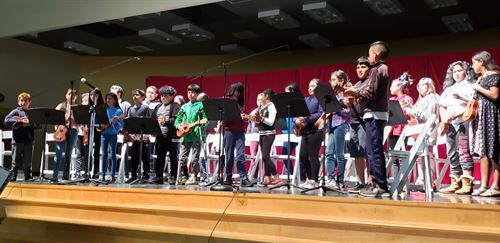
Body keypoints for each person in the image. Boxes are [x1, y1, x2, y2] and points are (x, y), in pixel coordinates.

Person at [344, 41, 391, 197]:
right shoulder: (381, 69)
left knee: (373, 150)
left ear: (375, 55)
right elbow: (370, 91)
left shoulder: (377, 70)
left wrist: (355, 92)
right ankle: (377, 183)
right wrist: (357, 91)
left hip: (375, 114)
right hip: (375, 113)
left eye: (370, 54)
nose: (369, 57)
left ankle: (380, 185)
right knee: (371, 150)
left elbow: (371, 93)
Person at [438, 61, 475, 194]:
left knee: (464, 151)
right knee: (452, 152)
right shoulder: (449, 89)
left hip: (464, 121)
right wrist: (444, 119)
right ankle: (456, 182)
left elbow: (472, 103)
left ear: (466, 71)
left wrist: (457, 114)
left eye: (459, 71)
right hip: (450, 123)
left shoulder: (471, 86)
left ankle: (467, 183)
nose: (457, 74)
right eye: (454, 72)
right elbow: (441, 105)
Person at [470, 51, 500, 197]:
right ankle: (484, 185)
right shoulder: (480, 78)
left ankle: (496, 186)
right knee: (483, 151)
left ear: (481, 62)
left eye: (474, 62)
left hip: (492, 115)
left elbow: (495, 95)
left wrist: (478, 88)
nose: (473, 66)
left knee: (494, 149)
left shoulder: (494, 75)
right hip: (481, 116)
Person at [404, 77, 440, 186]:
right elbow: (418, 112)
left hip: (428, 131)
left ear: (429, 86)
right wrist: (410, 106)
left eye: (423, 85)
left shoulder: (432, 98)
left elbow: (429, 116)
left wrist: (411, 111)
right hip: (419, 132)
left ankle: (429, 179)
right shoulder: (422, 99)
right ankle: (422, 179)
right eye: (419, 85)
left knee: (427, 155)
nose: (420, 87)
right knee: (420, 156)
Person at [346, 56, 371, 193]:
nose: (360, 70)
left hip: (364, 121)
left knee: (366, 152)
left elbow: (367, 98)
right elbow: (349, 103)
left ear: (369, 68)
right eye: (358, 67)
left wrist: (354, 93)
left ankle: (371, 182)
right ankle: (361, 182)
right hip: (353, 121)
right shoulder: (356, 85)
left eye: (363, 67)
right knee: (356, 153)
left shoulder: (369, 83)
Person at [174, 84, 207, 185]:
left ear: (197, 94)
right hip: (185, 135)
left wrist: (198, 125)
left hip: (196, 135)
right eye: (189, 92)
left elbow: (205, 119)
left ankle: (194, 176)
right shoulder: (184, 106)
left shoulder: (201, 105)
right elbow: (177, 121)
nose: (190, 94)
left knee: (194, 158)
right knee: (182, 157)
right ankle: (184, 176)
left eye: (193, 92)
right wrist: (180, 127)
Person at [223, 82, 252, 187]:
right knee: (229, 155)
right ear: (232, 90)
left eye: (240, 91)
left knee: (240, 155)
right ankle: (228, 177)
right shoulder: (227, 101)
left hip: (240, 131)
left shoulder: (241, 104)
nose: (238, 93)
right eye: (236, 90)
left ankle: (243, 178)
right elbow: (224, 117)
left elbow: (245, 119)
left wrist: (245, 118)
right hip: (229, 131)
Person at [296, 79, 324, 189]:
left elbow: (320, 114)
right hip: (305, 131)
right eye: (309, 86)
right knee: (302, 155)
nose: (310, 88)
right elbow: (298, 113)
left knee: (313, 156)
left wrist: (307, 117)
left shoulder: (320, 99)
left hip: (315, 131)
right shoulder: (305, 99)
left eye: (313, 86)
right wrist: (296, 120)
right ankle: (310, 178)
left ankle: (314, 180)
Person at [4, 92, 38, 181]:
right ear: (18, 102)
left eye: (25, 101)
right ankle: (13, 176)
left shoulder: (32, 113)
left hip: (29, 140)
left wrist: (30, 124)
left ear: (29, 102)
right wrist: (21, 123)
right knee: (15, 161)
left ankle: (28, 176)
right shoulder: (16, 111)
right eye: (21, 101)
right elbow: (7, 120)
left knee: (28, 160)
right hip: (17, 140)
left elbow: (38, 125)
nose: (23, 103)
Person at [326, 70, 351, 190]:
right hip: (331, 125)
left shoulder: (346, 93)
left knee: (339, 154)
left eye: (334, 79)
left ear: (341, 80)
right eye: (331, 80)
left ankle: (340, 180)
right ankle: (330, 179)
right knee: (329, 153)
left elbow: (346, 112)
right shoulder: (333, 94)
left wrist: (336, 106)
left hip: (341, 125)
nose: (331, 82)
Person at [152, 85, 180, 185]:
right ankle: (158, 176)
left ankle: (173, 176)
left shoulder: (176, 106)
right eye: (161, 95)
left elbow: (177, 120)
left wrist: (166, 121)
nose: (163, 97)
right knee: (160, 157)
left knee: (173, 157)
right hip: (160, 136)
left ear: (172, 96)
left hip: (172, 136)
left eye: (166, 96)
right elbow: (153, 119)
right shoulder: (158, 106)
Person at [388, 72, 414, 177]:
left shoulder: (407, 99)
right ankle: (395, 179)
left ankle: (403, 179)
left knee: (402, 155)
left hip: (402, 130)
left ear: (399, 87)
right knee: (393, 156)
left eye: (392, 86)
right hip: (392, 130)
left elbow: (409, 113)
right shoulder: (391, 100)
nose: (390, 88)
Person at [52, 88, 79, 182]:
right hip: (61, 130)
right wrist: (57, 129)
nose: (71, 96)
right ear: (66, 95)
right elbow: (55, 118)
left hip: (73, 130)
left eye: (74, 94)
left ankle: (66, 175)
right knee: (58, 153)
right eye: (69, 94)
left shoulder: (77, 108)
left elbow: (79, 122)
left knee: (68, 153)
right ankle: (54, 176)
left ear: (76, 97)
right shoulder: (61, 105)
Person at [125, 89, 152, 183]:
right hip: (134, 138)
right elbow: (129, 123)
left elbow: (149, 123)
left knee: (145, 157)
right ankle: (133, 175)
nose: (134, 97)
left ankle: (145, 175)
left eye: (137, 95)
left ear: (142, 97)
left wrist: (145, 135)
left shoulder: (146, 108)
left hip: (143, 137)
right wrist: (131, 135)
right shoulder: (131, 109)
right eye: (133, 95)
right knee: (134, 157)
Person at [255, 89, 279, 186]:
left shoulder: (272, 106)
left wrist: (261, 118)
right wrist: (251, 118)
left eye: (263, 95)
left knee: (265, 156)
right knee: (264, 157)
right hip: (262, 133)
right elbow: (259, 122)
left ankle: (276, 176)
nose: (261, 98)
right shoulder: (263, 107)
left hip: (269, 134)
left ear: (267, 96)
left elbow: (270, 122)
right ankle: (267, 177)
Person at [100, 93, 123, 182]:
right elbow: (99, 122)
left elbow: (121, 125)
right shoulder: (104, 110)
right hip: (104, 133)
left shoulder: (118, 111)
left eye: (110, 98)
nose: (108, 100)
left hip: (113, 134)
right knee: (104, 154)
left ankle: (113, 175)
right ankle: (103, 174)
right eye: (107, 99)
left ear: (114, 100)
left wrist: (116, 122)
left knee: (112, 154)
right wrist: (101, 126)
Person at [89, 89, 105, 178]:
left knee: (97, 151)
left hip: (99, 130)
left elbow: (104, 120)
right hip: (89, 130)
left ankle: (96, 171)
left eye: (95, 95)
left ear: (99, 96)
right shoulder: (89, 106)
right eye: (91, 95)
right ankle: (87, 171)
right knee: (88, 151)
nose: (93, 97)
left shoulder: (102, 106)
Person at [74, 93, 89, 179]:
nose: (84, 102)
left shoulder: (91, 111)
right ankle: (77, 172)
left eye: (86, 100)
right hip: (79, 133)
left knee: (86, 154)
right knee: (79, 153)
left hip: (87, 134)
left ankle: (86, 172)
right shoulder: (79, 110)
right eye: (83, 100)